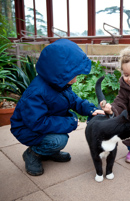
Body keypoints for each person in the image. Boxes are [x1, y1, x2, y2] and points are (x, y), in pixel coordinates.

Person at [10, 39, 104, 176]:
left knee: (61, 132)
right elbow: (37, 123)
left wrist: (91, 110)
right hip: (26, 128)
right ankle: (33, 154)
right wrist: (69, 122)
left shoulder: (59, 84)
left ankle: (49, 151)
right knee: (59, 140)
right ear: (59, 72)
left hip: (41, 123)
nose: (75, 80)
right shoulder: (36, 93)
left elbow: (74, 101)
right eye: (74, 76)